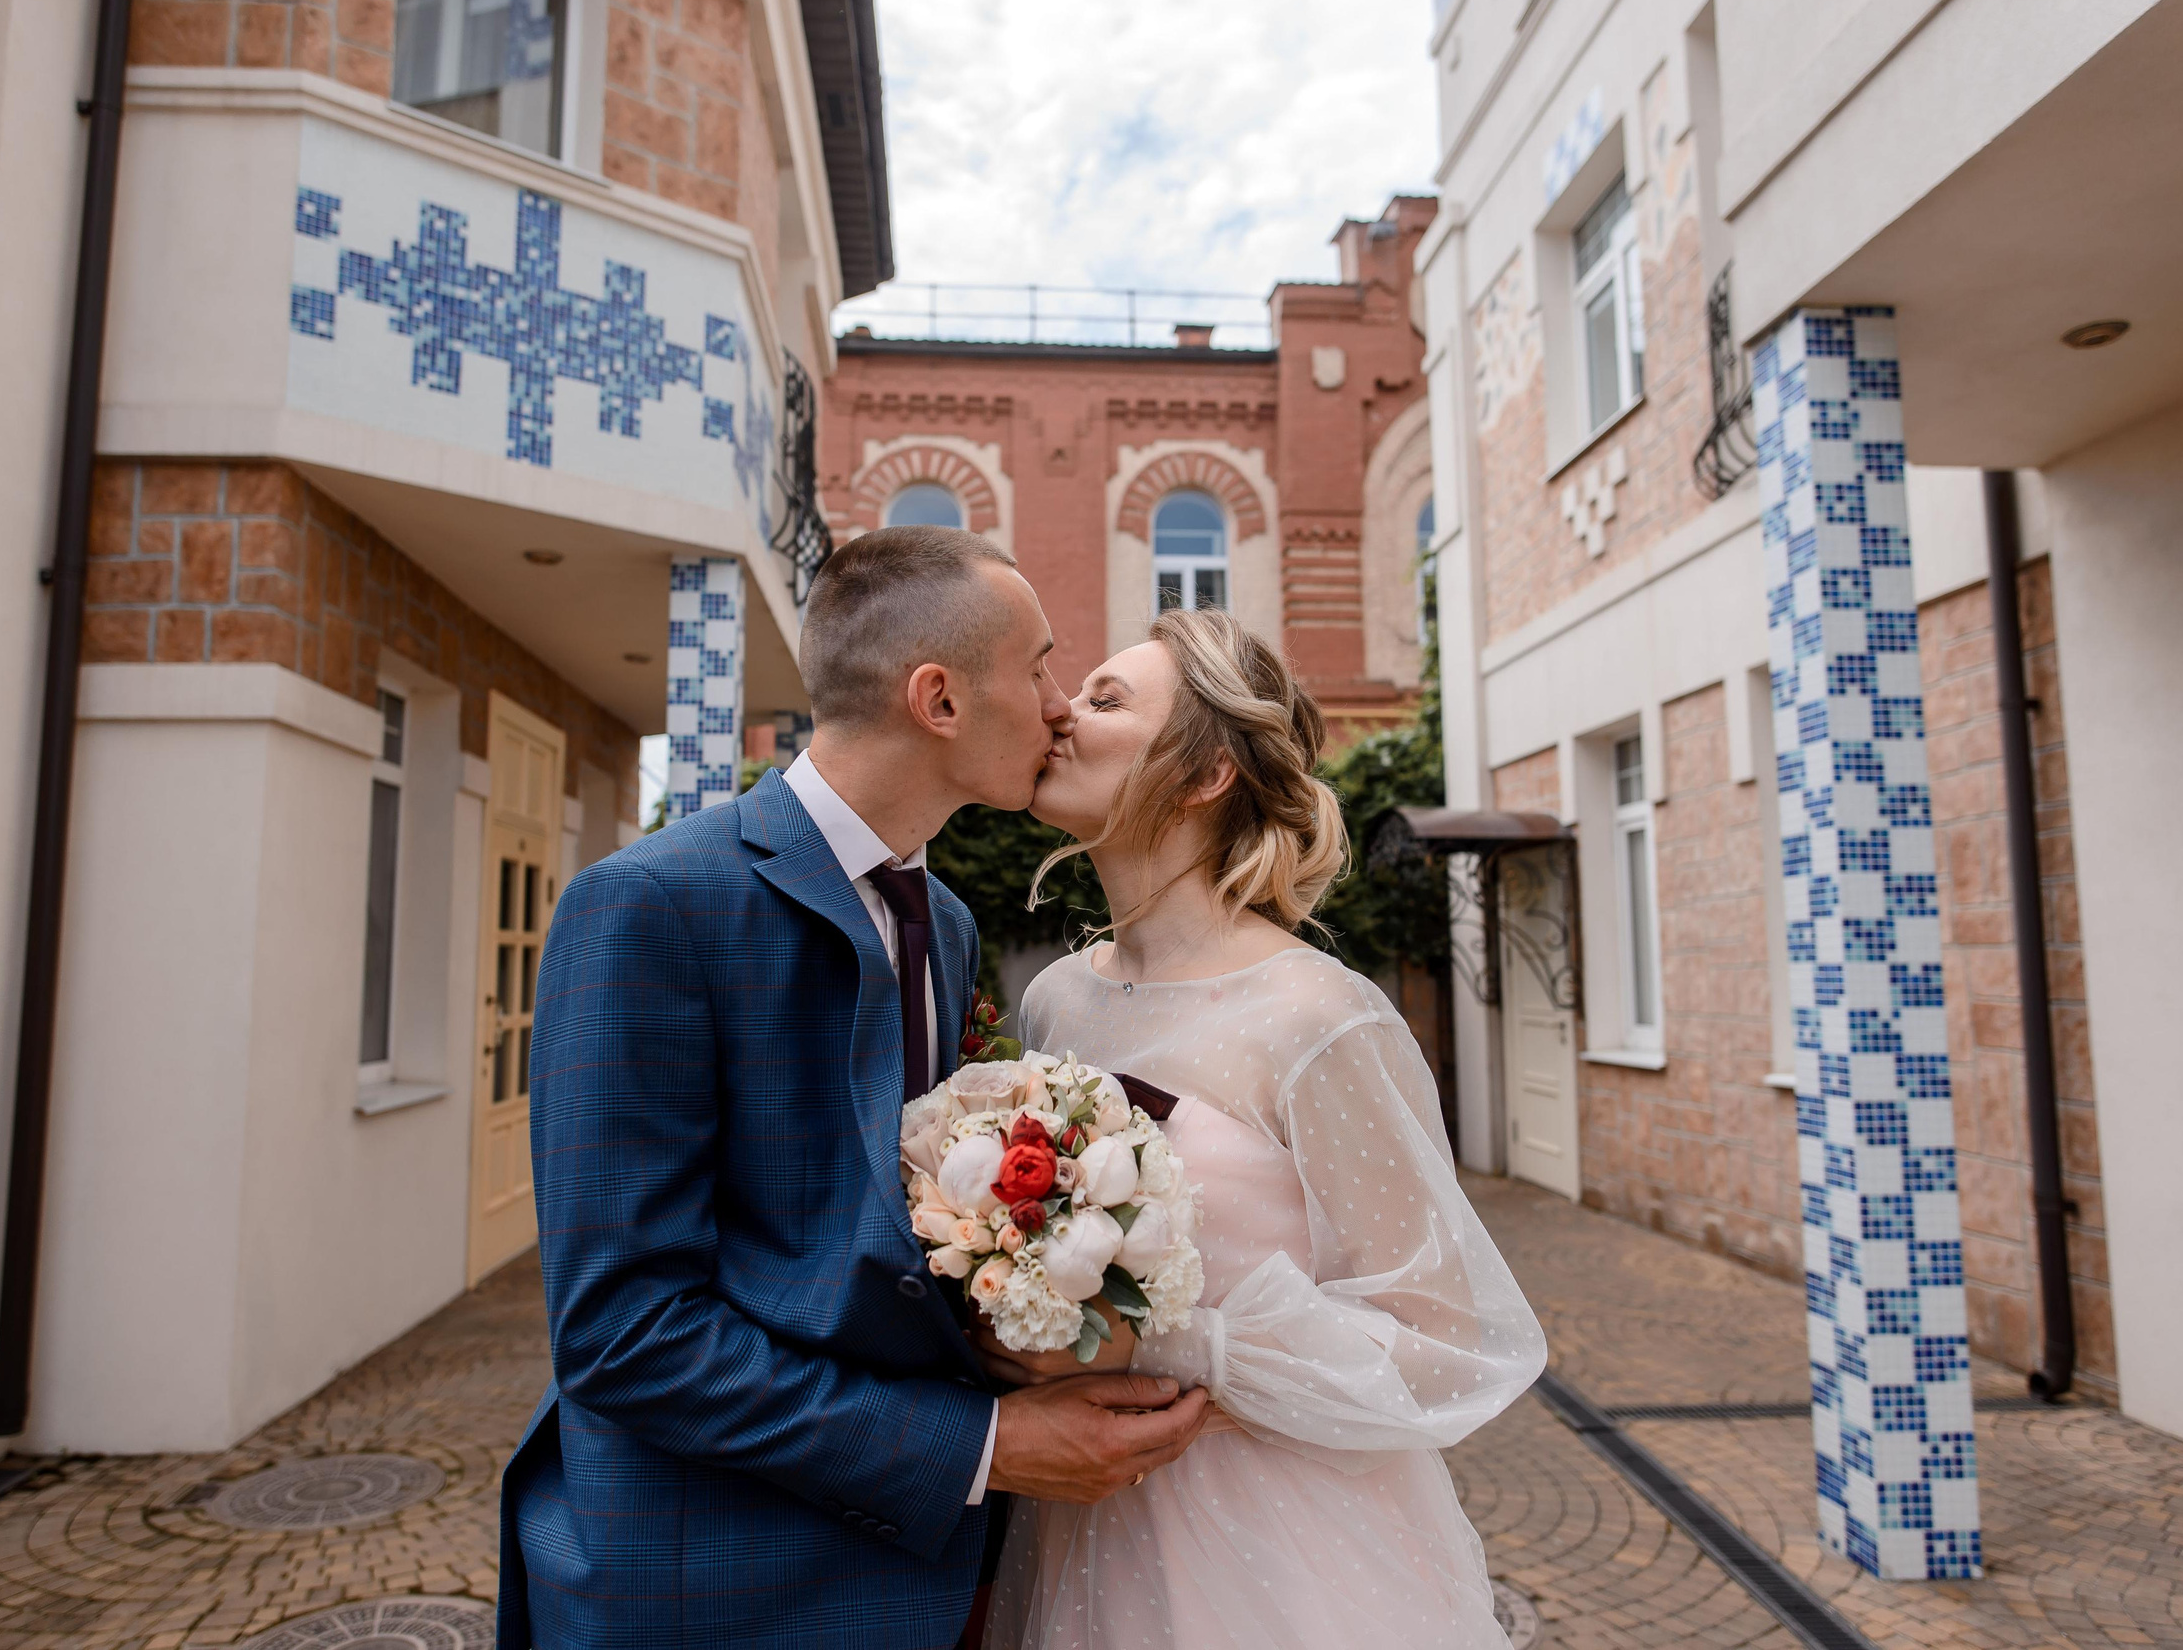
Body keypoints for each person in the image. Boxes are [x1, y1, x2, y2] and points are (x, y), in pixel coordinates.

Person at [497, 526, 1215, 1650]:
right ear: (938, 699)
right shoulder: (649, 907)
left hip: (923, 1575)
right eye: (1036, 667)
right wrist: (981, 1447)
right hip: (715, 1586)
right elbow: (622, 1330)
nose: (1058, 703)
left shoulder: (952, 924)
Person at [980, 608, 1546, 1650]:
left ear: (1203, 776)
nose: (1059, 712)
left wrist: (1166, 1345)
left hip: (1275, 1544)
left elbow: (1447, 1342)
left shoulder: (1316, 1016)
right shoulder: (1057, 999)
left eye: (1106, 699)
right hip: (1077, 1524)